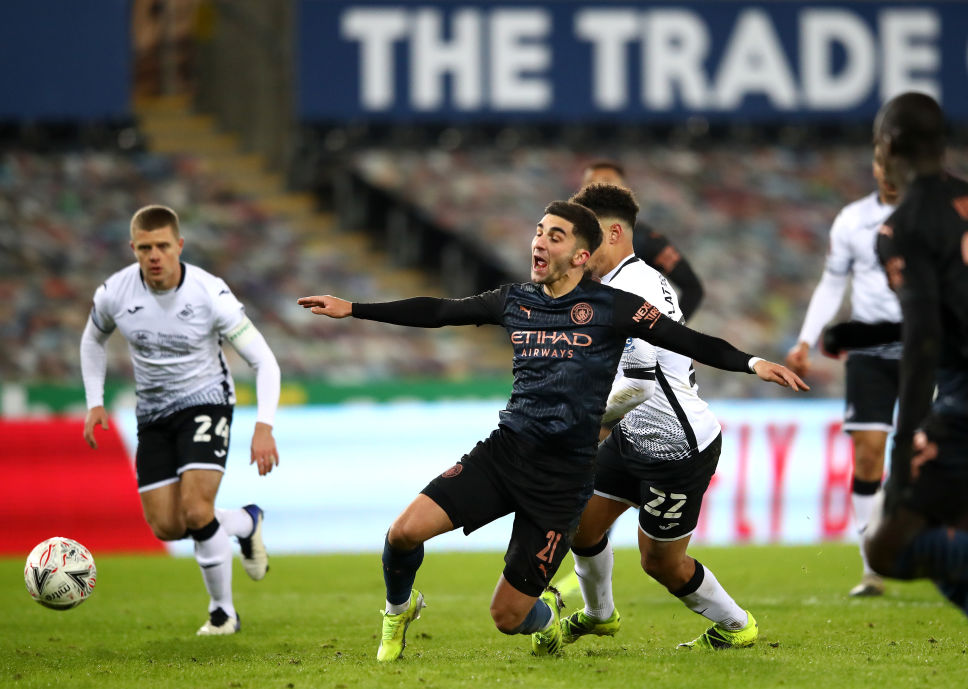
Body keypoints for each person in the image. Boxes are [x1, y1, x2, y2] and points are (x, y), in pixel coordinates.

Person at [299, 200, 808, 661]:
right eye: (538, 231)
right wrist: (355, 309)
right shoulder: (515, 300)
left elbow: (688, 339)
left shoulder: (613, 309)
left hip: (562, 480)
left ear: (582, 255)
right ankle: (405, 609)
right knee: (403, 532)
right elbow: (438, 311)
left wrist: (752, 362)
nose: (539, 242)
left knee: (507, 617)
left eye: (555, 236)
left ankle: (560, 617)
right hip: (504, 453)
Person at [554, 183, 757, 652]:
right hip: (634, 433)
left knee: (661, 563)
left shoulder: (635, 287)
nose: (579, 248)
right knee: (581, 525)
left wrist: (585, 426)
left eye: (587, 235)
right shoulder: (615, 284)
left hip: (675, 446)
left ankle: (736, 624)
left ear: (615, 233)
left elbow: (641, 383)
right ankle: (599, 615)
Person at [864, 91, 968, 670]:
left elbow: (923, 340)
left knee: (886, 547)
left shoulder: (902, 226)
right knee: (961, 558)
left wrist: (904, 446)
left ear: (887, 149)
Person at [81, 204, 281, 635]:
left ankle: (222, 613)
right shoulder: (115, 292)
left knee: (195, 509)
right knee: (168, 527)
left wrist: (264, 424)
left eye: (163, 247)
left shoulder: (210, 294)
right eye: (146, 247)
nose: (155, 256)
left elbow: (264, 360)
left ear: (179, 247)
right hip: (152, 414)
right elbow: (92, 339)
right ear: (133, 248)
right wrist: (95, 401)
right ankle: (246, 522)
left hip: (206, 402)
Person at [785, 148, 901, 597]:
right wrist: (806, 339)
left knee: (946, 455)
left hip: (927, 351)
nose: (888, 173)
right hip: (870, 354)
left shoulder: (936, 214)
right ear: (874, 167)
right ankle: (872, 565)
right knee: (869, 454)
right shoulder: (852, 220)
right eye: (881, 164)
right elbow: (833, 282)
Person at [582, 161, 704, 321]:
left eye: (607, 182)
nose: (598, 188)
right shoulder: (564, 233)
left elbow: (692, 289)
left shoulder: (643, 238)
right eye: (591, 183)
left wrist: (668, 335)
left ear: (623, 190)